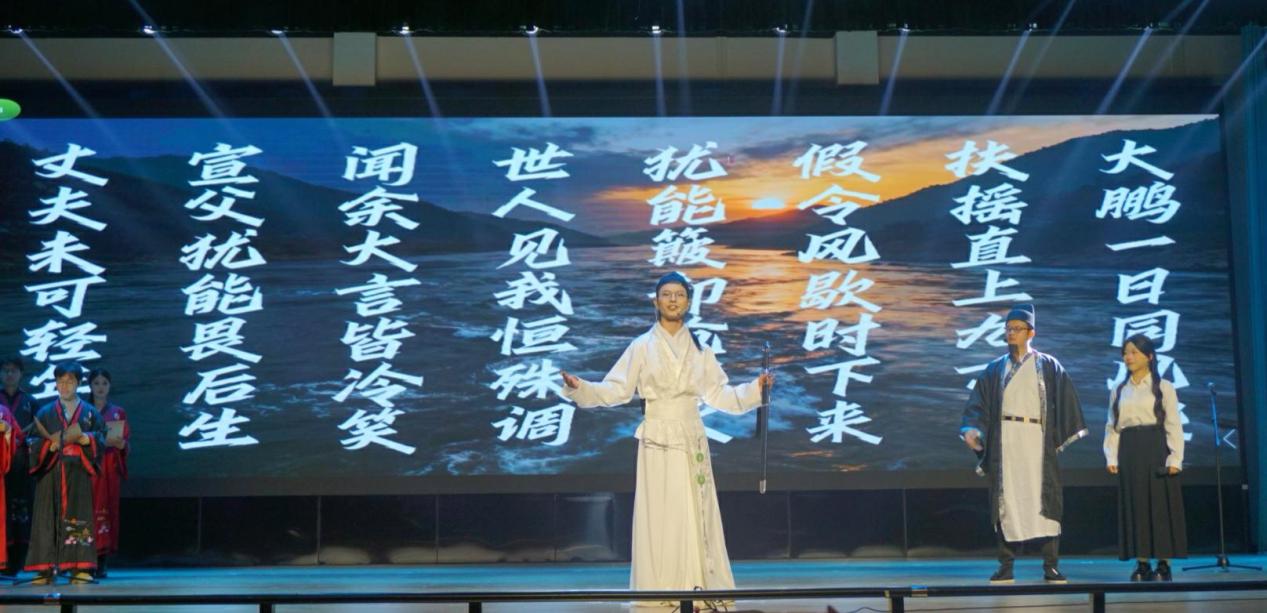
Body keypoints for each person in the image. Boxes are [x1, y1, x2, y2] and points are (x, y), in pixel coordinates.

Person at [560, 271, 773, 608]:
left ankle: (700, 589)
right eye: (667, 294)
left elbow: (720, 394)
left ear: (688, 302)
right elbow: (616, 389)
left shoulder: (700, 349)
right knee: (661, 514)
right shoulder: (641, 346)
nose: (673, 300)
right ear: (656, 301)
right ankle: (660, 592)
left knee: (695, 511)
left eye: (679, 294)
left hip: (691, 436)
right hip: (657, 437)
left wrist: (755, 390)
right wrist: (580, 388)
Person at [961, 304, 1087, 584]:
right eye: (1008, 329)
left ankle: (1051, 566)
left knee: (1044, 499)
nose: (1011, 333)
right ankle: (1005, 566)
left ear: (1031, 333)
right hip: (1006, 438)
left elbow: (1067, 402)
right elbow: (977, 403)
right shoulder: (995, 369)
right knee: (1006, 501)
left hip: (1036, 439)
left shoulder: (1048, 365)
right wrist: (972, 428)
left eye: (1017, 329)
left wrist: (1055, 438)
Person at [1104, 334, 1187, 581]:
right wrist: (1111, 456)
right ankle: (1142, 563)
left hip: (1156, 447)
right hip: (1130, 449)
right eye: (1125, 352)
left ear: (1149, 356)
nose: (1128, 357)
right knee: (1136, 504)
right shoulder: (1119, 389)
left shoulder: (1164, 387)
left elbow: (1173, 424)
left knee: (1160, 505)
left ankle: (1163, 563)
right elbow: (1112, 426)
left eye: (1133, 352)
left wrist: (1175, 459)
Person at [25, 361, 105, 585]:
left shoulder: (90, 413)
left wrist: (87, 439)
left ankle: (79, 566)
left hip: (77, 471)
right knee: (46, 518)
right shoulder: (45, 412)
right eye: (60, 381)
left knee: (78, 516)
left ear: (78, 383)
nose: (65, 386)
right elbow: (32, 441)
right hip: (51, 470)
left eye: (70, 381)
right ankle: (44, 568)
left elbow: (101, 435)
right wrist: (47, 447)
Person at [88, 368, 129, 579]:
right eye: (96, 383)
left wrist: (122, 445)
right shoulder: (82, 410)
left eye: (104, 383)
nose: (100, 387)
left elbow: (125, 442)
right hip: (88, 467)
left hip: (108, 468)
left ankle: (102, 561)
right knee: (86, 512)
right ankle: (84, 560)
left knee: (107, 512)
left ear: (110, 386)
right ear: (90, 386)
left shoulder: (117, 412)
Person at [0, 356, 36, 577]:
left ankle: (20, 559)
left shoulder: (31, 401)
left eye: (13, 370)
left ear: (21, 374)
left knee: (22, 511)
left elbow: (40, 430)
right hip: (1, 464)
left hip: (22, 464)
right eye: (5, 370)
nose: (9, 374)